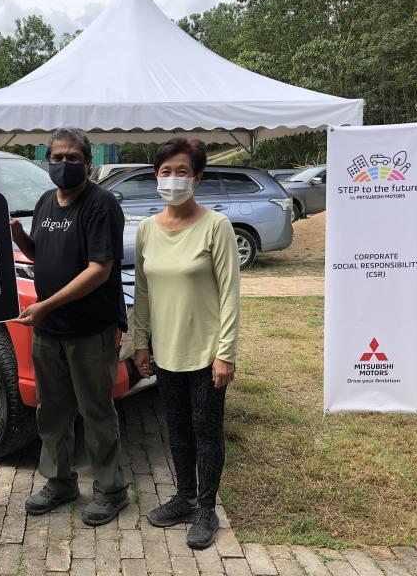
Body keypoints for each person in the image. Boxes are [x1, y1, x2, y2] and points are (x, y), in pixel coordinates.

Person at [10, 127, 129, 526]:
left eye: (72, 158)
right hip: (49, 331)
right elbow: (43, 256)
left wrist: (45, 305)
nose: (63, 164)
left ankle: (111, 490)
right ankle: (60, 481)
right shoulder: (46, 201)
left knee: (96, 411)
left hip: (89, 329)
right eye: (57, 157)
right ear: (47, 160)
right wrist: (21, 238)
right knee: (53, 411)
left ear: (87, 162)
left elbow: (99, 270)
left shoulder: (101, 205)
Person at [132, 137, 240, 549]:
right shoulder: (146, 230)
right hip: (167, 352)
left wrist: (225, 353)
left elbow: (230, 294)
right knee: (176, 431)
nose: (173, 179)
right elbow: (142, 292)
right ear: (156, 176)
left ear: (197, 177)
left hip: (206, 352)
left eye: (182, 171)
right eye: (165, 171)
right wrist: (141, 344)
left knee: (206, 430)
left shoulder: (216, 226)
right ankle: (183, 496)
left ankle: (206, 508)